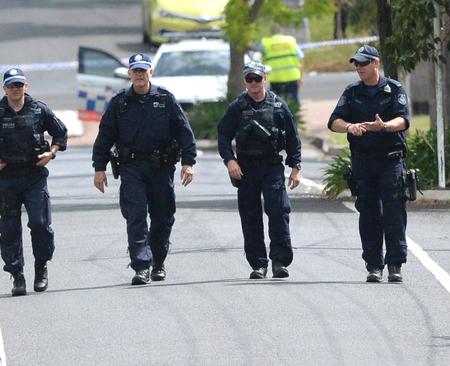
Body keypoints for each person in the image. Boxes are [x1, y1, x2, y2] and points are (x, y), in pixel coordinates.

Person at [92, 53, 197, 286]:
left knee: (163, 217)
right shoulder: (119, 102)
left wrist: (188, 163)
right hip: (132, 168)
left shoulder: (165, 99)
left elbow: (184, 132)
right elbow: (104, 136)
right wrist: (99, 168)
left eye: (143, 70)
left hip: (161, 168)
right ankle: (141, 266)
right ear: (129, 74)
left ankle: (158, 261)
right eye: (135, 71)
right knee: (136, 216)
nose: (139, 75)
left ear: (151, 72)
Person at [0, 68, 68, 296]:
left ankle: (41, 267)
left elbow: (60, 133)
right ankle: (17, 275)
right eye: (11, 86)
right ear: (5, 88)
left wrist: (50, 153)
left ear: (26, 86)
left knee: (40, 223)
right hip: (7, 179)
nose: (15, 89)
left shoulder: (39, 109)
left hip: (34, 177)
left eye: (19, 85)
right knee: (9, 229)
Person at [327, 45, 410, 283]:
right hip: (363, 162)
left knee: (394, 214)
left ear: (376, 63)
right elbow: (334, 121)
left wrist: (384, 126)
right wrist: (349, 127)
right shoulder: (352, 91)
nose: (359, 68)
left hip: (391, 161)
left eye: (363, 63)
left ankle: (395, 264)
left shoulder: (393, 89)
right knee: (369, 214)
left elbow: (403, 120)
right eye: (356, 64)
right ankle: (374, 265)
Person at [217, 61, 302, 279]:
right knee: (250, 216)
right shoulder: (237, 106)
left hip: (271, 166)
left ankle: (280, 262)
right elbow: (224, 136)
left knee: (278, 212)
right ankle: (258, 264)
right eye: (249, 79)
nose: (253, 83)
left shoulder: (278, 106)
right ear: (245, 81)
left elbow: (293, 138)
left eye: (257, 78)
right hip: (245, 169)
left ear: (264, 79)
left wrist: (295, 167)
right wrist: (230, 161)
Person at [260, 24, 304, 106]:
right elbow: (301, 57)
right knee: (294, 102)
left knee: (276, 104)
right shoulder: (290, 41)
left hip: (276, 78)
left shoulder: (266, 42)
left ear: (271, 32)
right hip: (292, 77)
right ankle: (294, 117)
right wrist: (301, 77)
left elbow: (258, 52)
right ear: (281, 31)